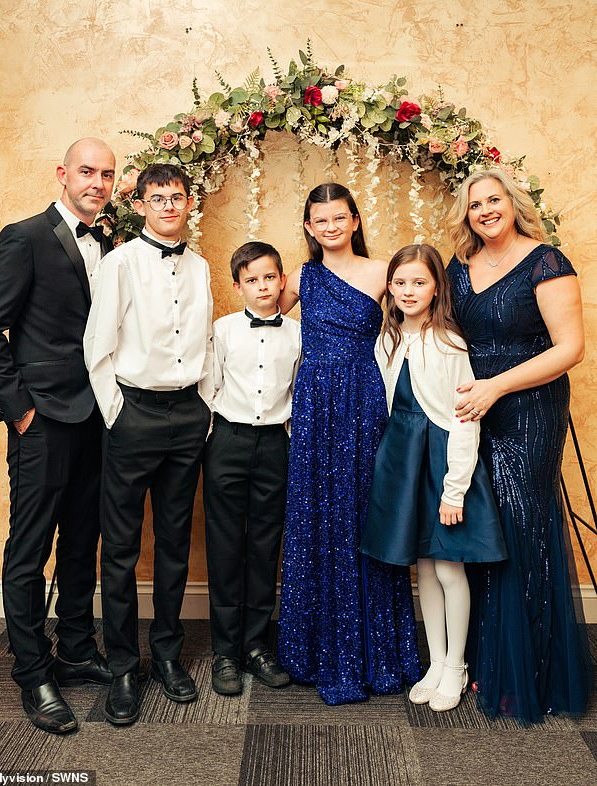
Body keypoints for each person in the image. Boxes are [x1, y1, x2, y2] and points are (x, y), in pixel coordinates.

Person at [0, 138, 117, 734]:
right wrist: (20, 410)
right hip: (43, 419)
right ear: (63, 174)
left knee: (84, 541)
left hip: (97, 418)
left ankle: (77, 650)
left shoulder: (109, 243)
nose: (97, 183)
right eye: (87, 171)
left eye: (107, 175)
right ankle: (32, 672)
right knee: (30, 549)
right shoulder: (23, 237)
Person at [445, 167, 591, 723]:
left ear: (512, 203)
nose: (485, 210)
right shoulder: (460, 266)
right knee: (483, 527)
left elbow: (570, 348)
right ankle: (488, 657)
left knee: (523, 527)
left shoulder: (546, 262)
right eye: (475, 204)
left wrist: (497, 386)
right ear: (467, 214)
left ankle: (531, 672)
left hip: (527, 409)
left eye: (493, 200)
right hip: (469, 411)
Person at [277, 183, 420, 705]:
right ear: (310, 228)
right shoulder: (299, 277)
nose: (331, 226)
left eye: (341, 217)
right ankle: (313, 648)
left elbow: (420, 317)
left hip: (363, 399)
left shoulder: (384, 272)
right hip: (314, 404)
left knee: (364, 512)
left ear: (355, 220)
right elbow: (265, 319)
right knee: (318, 514)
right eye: (321, 220)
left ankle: (378, 651)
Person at [84, 163, 213, 725]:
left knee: (174, 542)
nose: (168, 206)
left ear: (188, 204)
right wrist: (117, 414)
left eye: (177, 197)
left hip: (188, 416)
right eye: (157, 198)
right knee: (119, 548)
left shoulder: (203, 266)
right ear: (140, 205)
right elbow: (98, 343)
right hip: (132, 414)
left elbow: (206, 338)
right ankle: (120, 667)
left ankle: (166, 654)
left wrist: (203, 409)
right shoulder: (120, 263)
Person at [359, 244, 507, 712]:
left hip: (442, 462)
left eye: (419, 282)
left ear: (437, 287)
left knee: (448, 566)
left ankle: (457, 664)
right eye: (399, 282)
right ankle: (436, 662)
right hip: (403, 462)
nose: (408, 291)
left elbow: (465, 418)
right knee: (422, 566)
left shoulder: (449, 343)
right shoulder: (387, 339)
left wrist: (455, 487)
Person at [203, 241, 301, 696]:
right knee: (225, 546)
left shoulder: (299, 335)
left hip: (274, 445)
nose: (262, 287)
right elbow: (210, 386)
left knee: (265, 545)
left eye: (269, 278)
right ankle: (225, 651)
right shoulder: (221, 331)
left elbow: (300, 394)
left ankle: (257, 644)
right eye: (251, 280)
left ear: (282, 281)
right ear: (238, 285)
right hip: (228, 440)